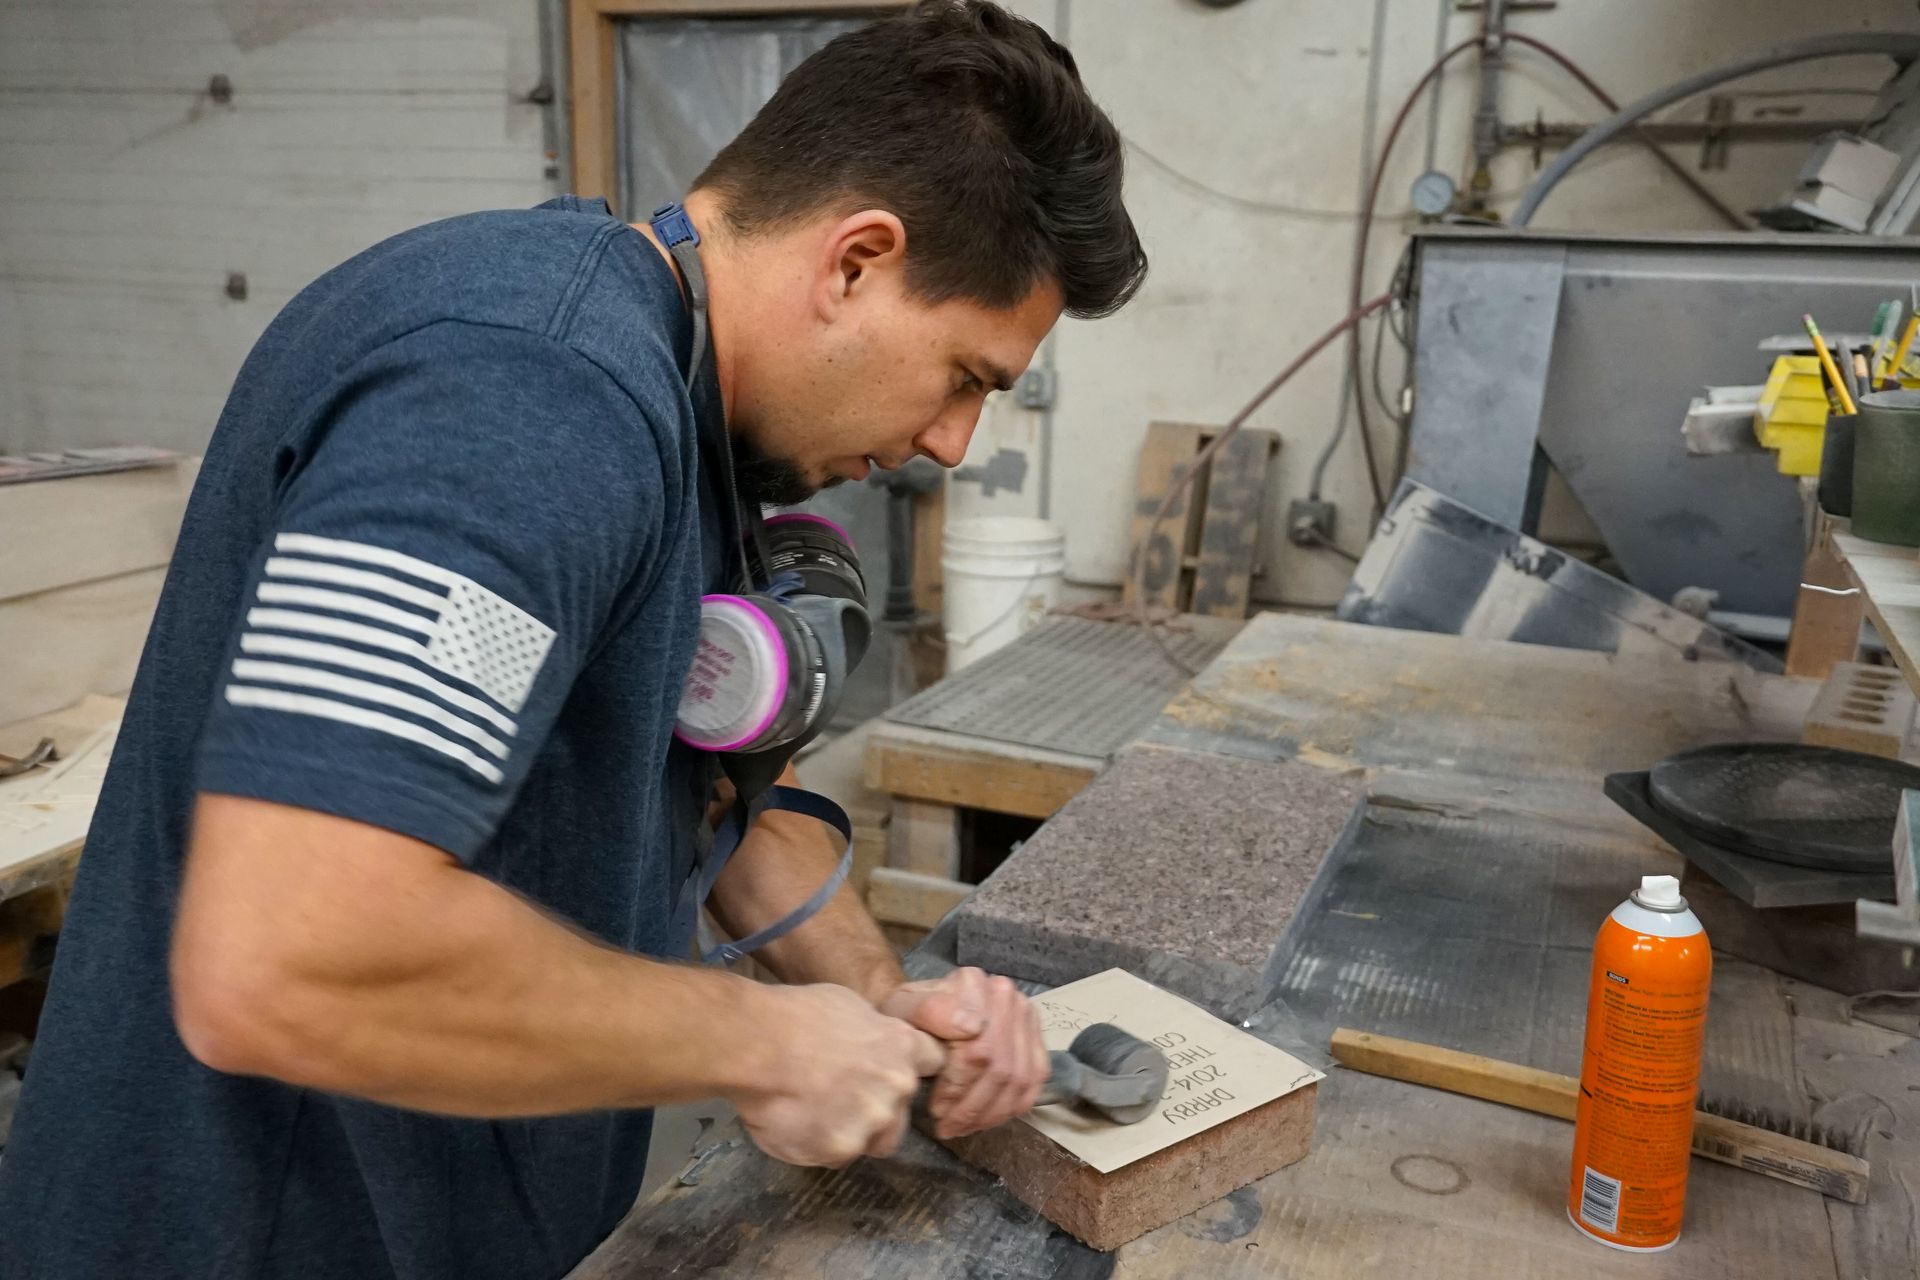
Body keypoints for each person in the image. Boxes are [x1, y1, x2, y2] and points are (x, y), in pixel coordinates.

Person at [0, 2, 1146, 1276]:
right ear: (856, 260)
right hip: (241, 1231)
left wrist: (878, 1001)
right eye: (966, 376)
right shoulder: (528, 393)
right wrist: (761, 1041)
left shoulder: (683, 403)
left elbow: (700, 777)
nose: (951, 444)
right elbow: (287, 951)